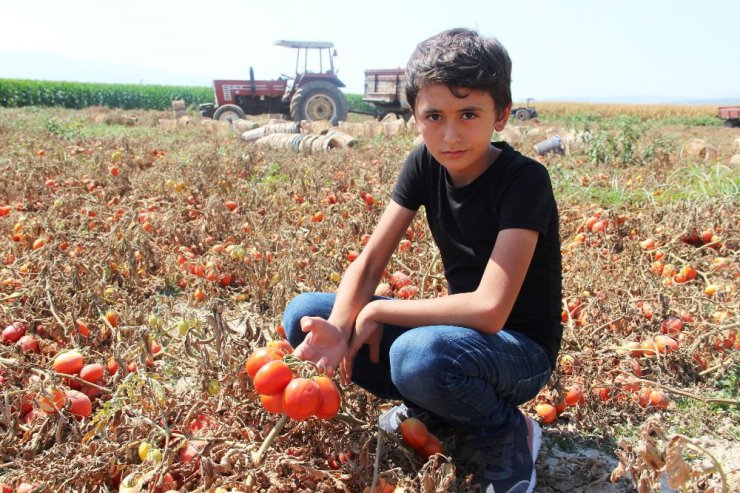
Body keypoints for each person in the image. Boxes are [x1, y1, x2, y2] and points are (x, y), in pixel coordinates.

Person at [282, 27, 562, 493]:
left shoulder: (524, 180)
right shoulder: (424, 163)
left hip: (519, 350)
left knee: (418, 356)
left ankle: (507, 431)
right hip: (462, 338)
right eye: (433, 116)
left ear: (502, 116)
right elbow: (371, 262)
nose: (449, 135)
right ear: (414, 116)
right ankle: (438, 406)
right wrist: (339, 325)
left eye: (468, 114)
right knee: (305, 315)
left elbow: (491, 309)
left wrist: (377, 310)